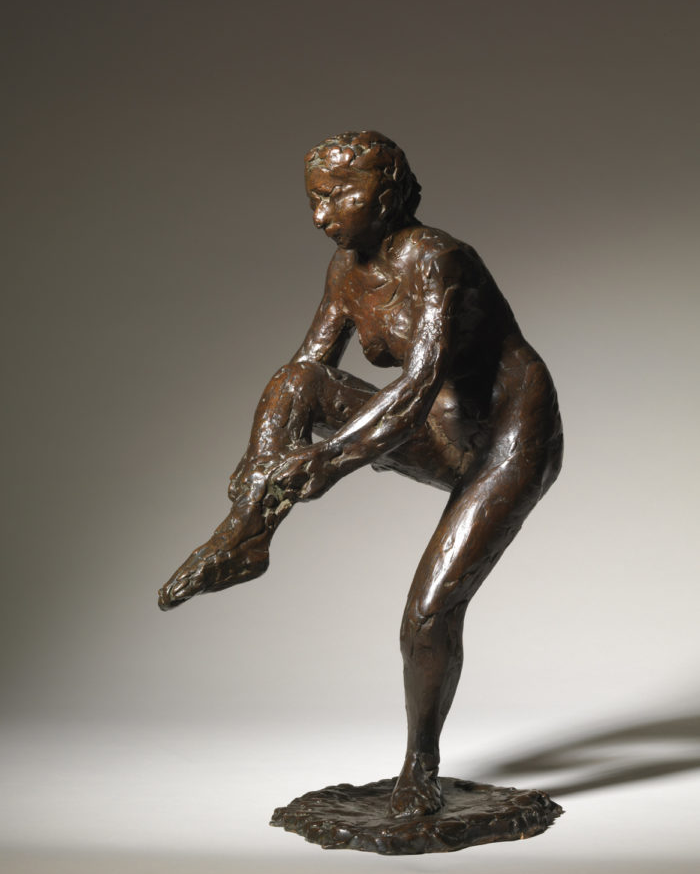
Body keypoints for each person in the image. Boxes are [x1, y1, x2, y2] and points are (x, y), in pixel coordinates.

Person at [158, 130, 563, 818]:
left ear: (386, 192)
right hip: (438, 433)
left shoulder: (440, 259)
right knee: (293, 383)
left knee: (427, 614)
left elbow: (417, 388)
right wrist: (263, 466)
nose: (322, 216)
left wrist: (331, 459)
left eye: (338, 197)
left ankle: (420, 769)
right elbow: (305, 375)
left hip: (507, 444)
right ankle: (246, 536)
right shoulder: (345, 269)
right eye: (313, 201)